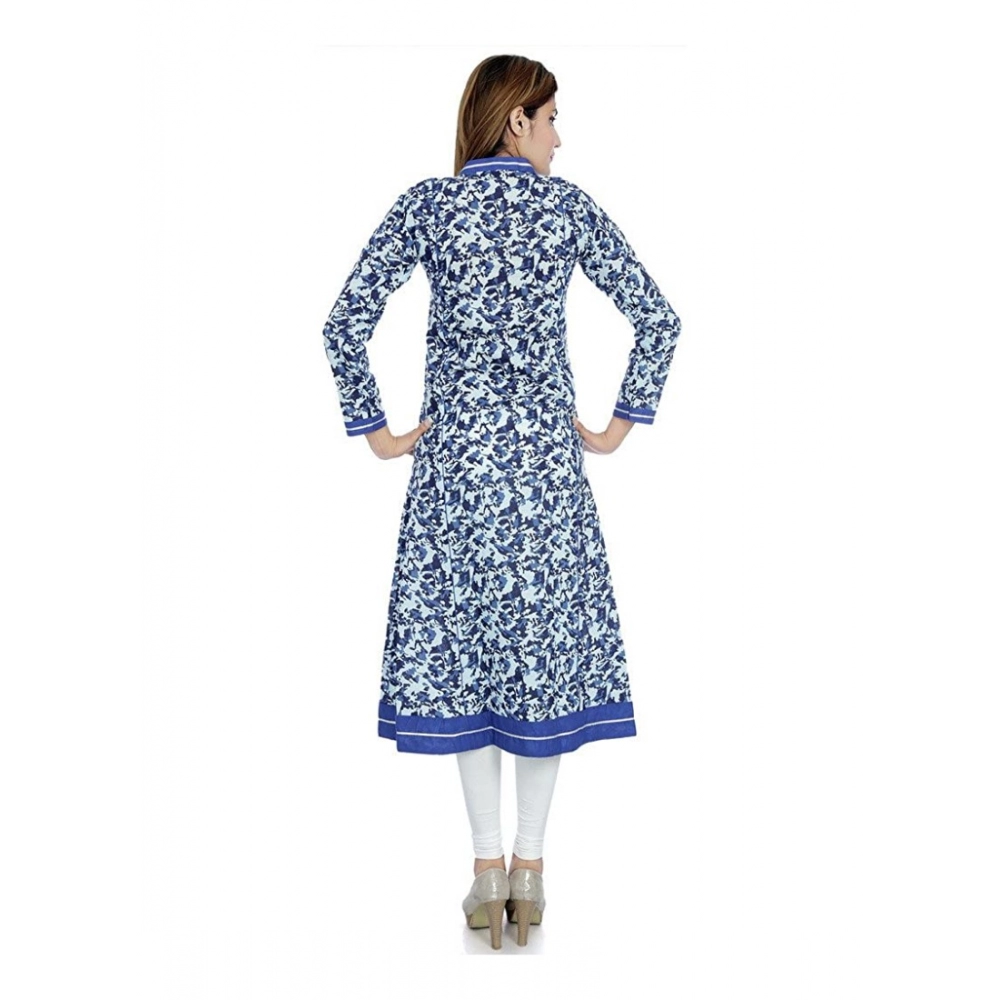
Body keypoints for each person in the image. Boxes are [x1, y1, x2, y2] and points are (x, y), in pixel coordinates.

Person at [321, 54, 682, 949]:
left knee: (469, 668)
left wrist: (378, 432)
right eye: (552, 117)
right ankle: (531, 871)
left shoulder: (430, 206)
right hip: (544, 477)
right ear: (515, 119)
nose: (561, 135)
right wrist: (615, 427)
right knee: (540, 669)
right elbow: (659, 316)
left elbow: (343, 320)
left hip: (455, 479)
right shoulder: (566, 210)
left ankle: (486, 871)